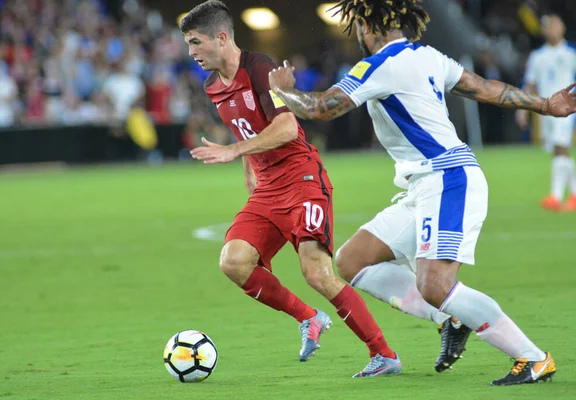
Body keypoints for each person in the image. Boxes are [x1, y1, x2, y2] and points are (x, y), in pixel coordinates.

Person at [268, 0, 576, 386]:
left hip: (447, 179)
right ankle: (450, 316)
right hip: (424, 184)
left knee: (435, 285)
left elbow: (322, 108)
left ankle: (532, 358)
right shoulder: (428, 55)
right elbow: (482, 88)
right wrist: (544, 104)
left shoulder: (379, 65)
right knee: (352, 260)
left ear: (369, 24)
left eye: (360, 25)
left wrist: (285, 92)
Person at [180, 0, 400, 378]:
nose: (191, 52)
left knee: (317, 272)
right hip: (267, 190)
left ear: (220, 37)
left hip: (302, 179)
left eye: (196, 42)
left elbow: (284, 128)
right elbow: (249, 130)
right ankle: (309, 317)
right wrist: (249, 171)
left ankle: (384, 354)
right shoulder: (214, 86)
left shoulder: (260, 68)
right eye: (188, 44)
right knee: (233, 261)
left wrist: (233, 152)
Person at [516, 14, 576, 212]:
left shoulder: (571, 53)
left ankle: (556, 197)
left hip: (567, 109)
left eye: (554, 25)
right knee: (558, 152)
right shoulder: (537, 56)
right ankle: (574, 195)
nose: (550, 29)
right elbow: (530, 83)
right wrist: (523, 109)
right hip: (545, 109)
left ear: (562, 28)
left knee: (561, 147)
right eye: (547, 27)